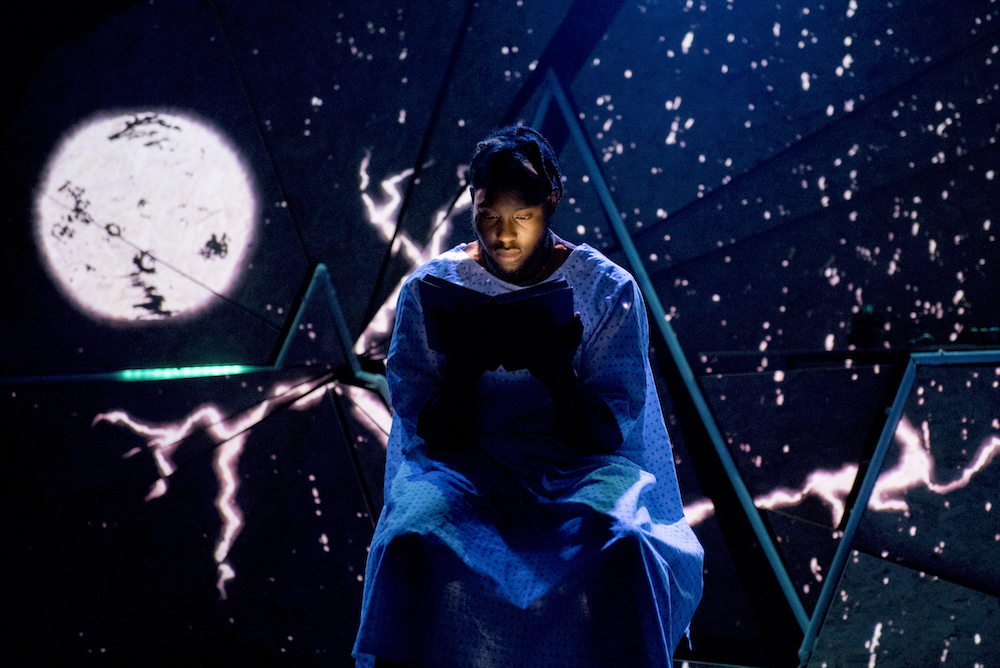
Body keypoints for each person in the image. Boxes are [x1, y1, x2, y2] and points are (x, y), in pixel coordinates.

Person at [353, 126, 703, 668]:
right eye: (489, 216)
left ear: (552, 202)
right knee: (408, 538)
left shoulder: (607, 288)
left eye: (524, 217)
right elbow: (431, 430)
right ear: (473, 203)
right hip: (464, 466)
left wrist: (555, 370)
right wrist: (464, 367)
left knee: (625, 540)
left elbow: (606, 433)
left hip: (577, 469)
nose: (505, 235)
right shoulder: (431, 287)